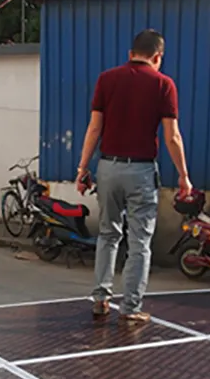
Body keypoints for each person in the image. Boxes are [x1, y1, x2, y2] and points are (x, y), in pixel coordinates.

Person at [75, 29, 192, 322]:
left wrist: (82, 168)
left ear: (130, 54)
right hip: (141, 171)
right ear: (157, 57)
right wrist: (183, 176)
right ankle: (130, 308)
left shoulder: (106, 79)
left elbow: (94, 128)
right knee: (139, 241)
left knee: (107, 234)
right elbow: (172, 137)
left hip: (108, 169)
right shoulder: (164, 85)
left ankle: (101, 299)